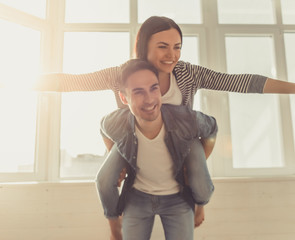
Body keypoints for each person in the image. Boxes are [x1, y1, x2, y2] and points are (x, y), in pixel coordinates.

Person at [29, 15, 295, 227]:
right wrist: (22, 82)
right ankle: (116, 221)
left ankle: (198, 205)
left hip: (181, 143)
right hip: (137, 141)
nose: (172, 54)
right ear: (145, 46)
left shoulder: (187, 73)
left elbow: (241, 82)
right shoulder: (124, 73)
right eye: (163, 46)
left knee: (199, 178)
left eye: (177, 46)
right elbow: (73, 82)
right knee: (105, 177)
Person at [98, 59, 218, 240]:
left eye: (154, 88)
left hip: (178, 199)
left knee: (201, 185)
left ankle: (199, 205)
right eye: (138, 92)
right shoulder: (115, 122)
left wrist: (200, 160)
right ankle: (115, 225)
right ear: (124, 98)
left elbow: (212, 129)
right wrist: (118, 156)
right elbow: (103, 129)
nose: (149, 99)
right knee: (103, 179)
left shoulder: (186, 119)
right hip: (137, 198)